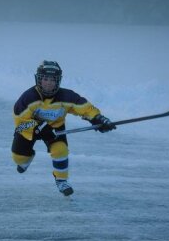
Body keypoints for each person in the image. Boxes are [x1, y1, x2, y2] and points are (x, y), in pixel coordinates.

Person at [12, 60, 116, 196]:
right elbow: (20, 122)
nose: (49, 83)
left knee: (61, 150)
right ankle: (27, 157)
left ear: (58, 81)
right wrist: (41, 127)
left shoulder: (66, 96)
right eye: (45, 79)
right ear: (39, 79)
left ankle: (61, 180)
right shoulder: (28, 98)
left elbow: (84, 107)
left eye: (53, 80)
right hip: (29, 129)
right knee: (18, 158)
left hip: (55, 128)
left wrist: (98, 119)